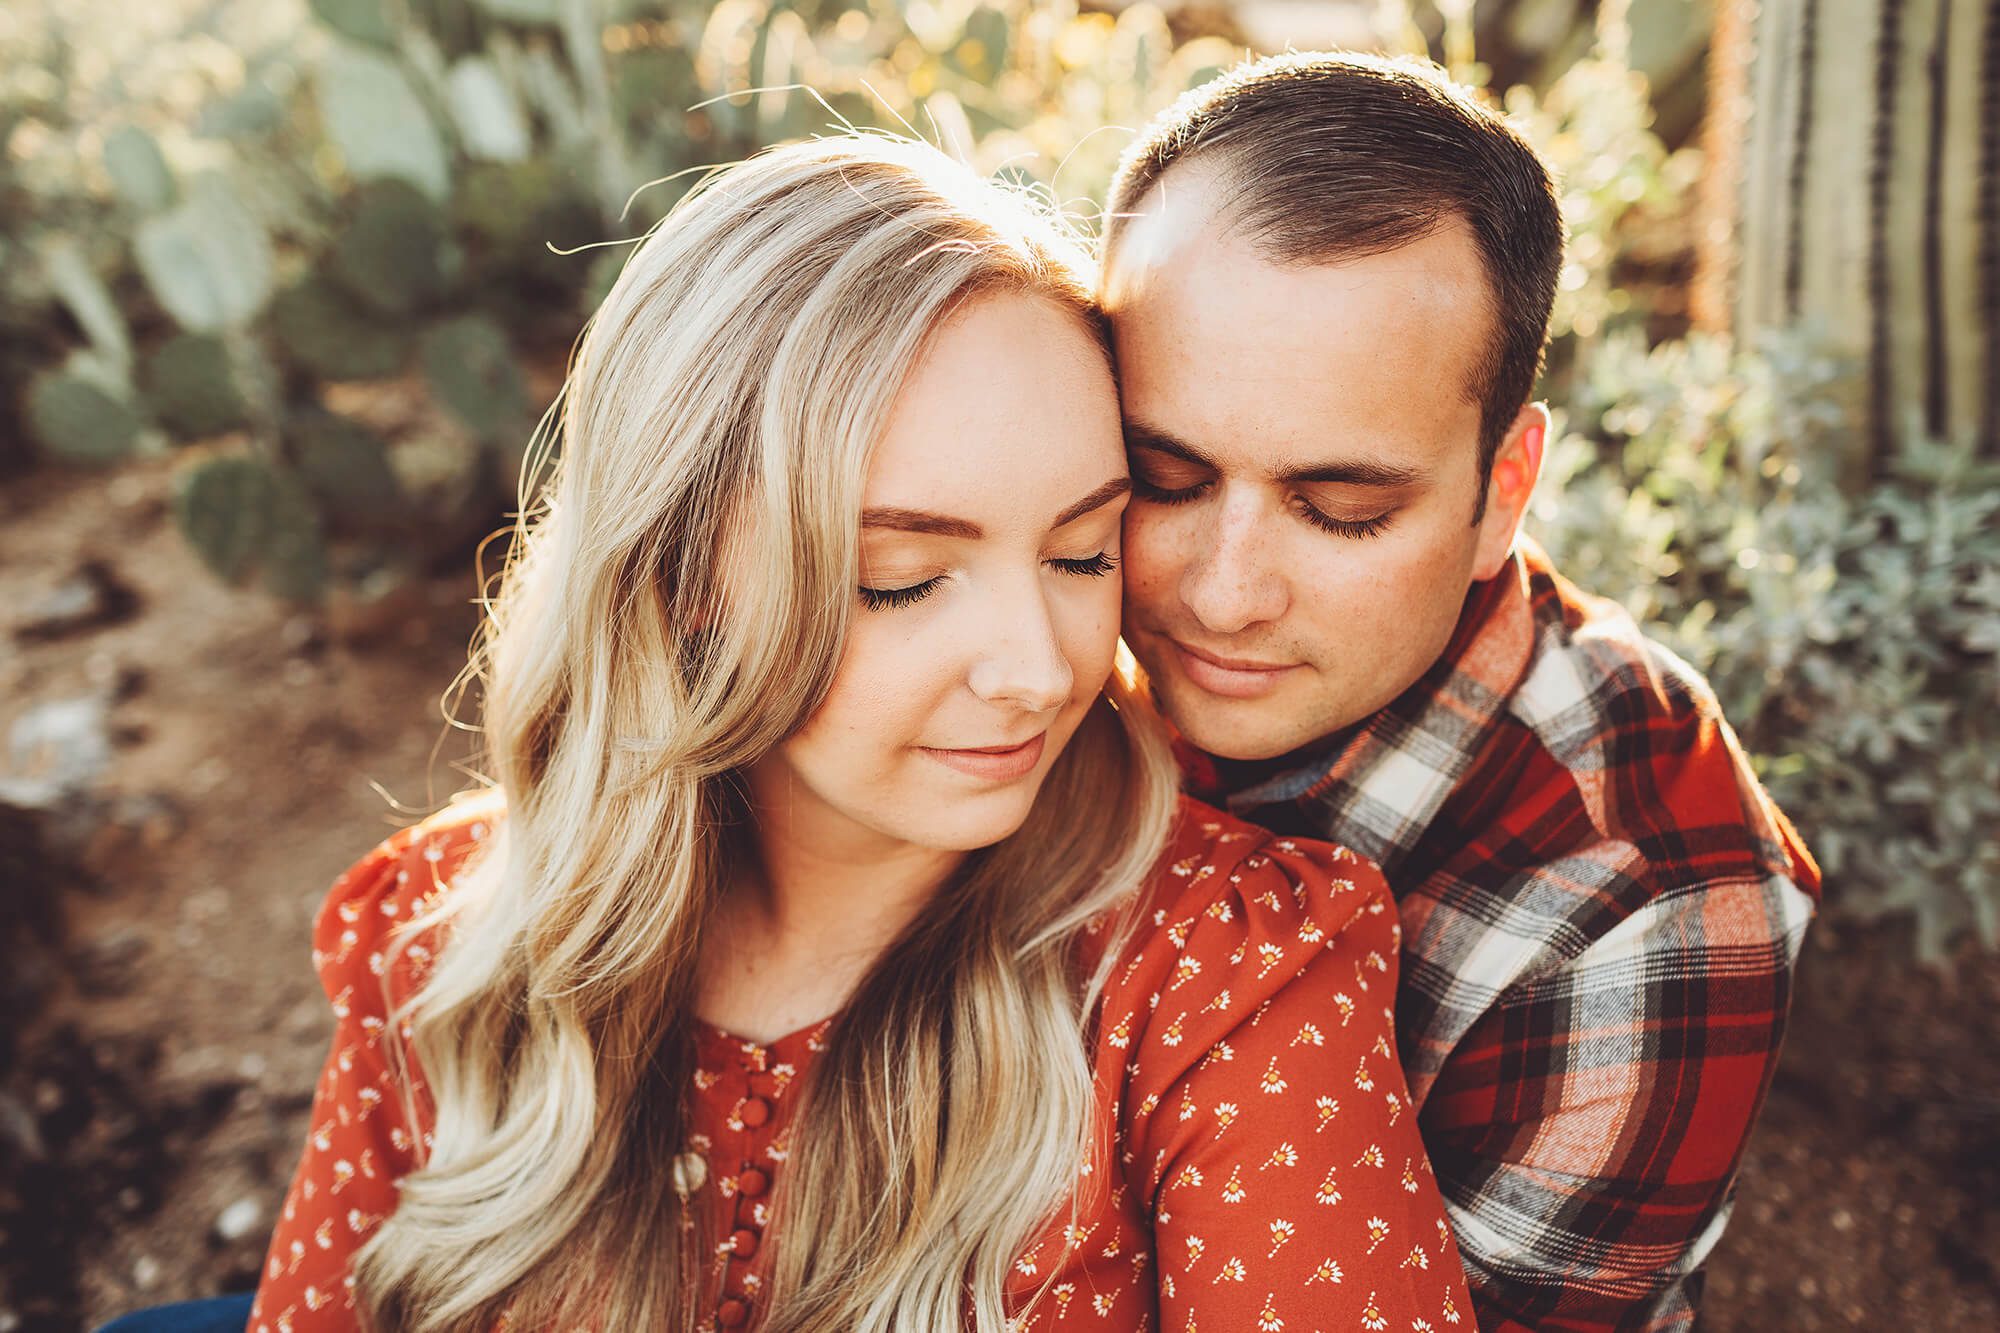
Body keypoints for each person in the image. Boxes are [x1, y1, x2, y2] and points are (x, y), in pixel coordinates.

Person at [204, 136, 1471, 1332]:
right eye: (902, 578)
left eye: (1081, 553)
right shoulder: (445, 935)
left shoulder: (1224, 977)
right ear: (681, 576)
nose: (1039, 671)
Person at [1096, 51, 1823, 1331]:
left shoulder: (1651, 902)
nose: (1221, 593)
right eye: (1162, 476)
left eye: (1341, 510)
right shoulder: (1028, 602)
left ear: (1503, 488)